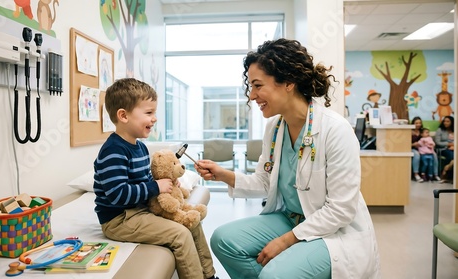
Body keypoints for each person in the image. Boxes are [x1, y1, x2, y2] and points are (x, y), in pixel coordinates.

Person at [195, 39, 380, 279]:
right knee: (223, 240)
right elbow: (264, 181)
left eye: (258, 85)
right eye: (250, 86)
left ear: (289, 82)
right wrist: (223, 175)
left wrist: (286, 241)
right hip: (289, 218)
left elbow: (341, 210)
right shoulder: (275, 127)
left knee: (273, 274)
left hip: (333, 231)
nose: (251, 95)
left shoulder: (336, 130)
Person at [93, 78, 218, 279]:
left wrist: (167, 184)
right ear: (123, 115)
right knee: (180, 234)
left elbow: (145, 178)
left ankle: (209, 274)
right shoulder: (113, 151)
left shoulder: (140, 147)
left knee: (191, 222)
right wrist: (155, 187)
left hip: (140, 210)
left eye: (154, 112)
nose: (155, 118)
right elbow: (118, 195)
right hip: (119, 219)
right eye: (149, 113)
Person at [411, 117, 440, 182]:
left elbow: (429, 141)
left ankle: (435, 174)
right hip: (413, 148)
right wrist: (413, 144)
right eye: (416, 123)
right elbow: (406, 144)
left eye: (420, 123)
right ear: (413, 123)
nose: (418, 124)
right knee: (417, 155)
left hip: (423, 148)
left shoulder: (422, 131)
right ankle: (416, 174)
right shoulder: (410, 132)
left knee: (434, 155)